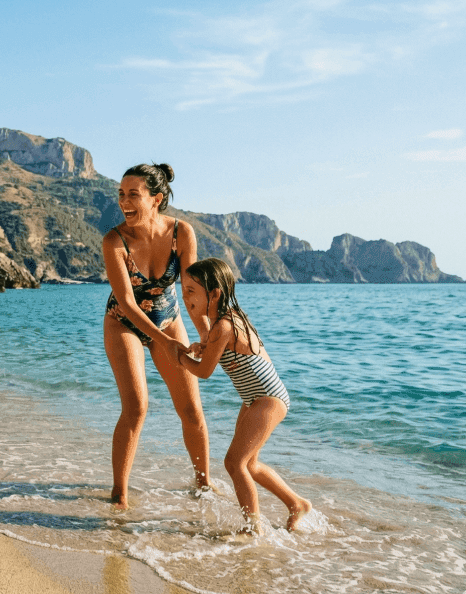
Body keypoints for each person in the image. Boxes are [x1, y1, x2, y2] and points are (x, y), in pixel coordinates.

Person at [102, 163, 211, 509]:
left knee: (192, 409)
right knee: (136, 406)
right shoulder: (114, 241)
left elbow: (192, 292)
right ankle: (119, 494)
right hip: (124, 322)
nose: (124, 201)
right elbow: (129, 304)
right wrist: (165, 343)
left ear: (156, 199)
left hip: (169, 318)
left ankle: (203, 486)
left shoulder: (182, 234)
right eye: (121, 194)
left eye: (133, 194)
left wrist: (206, 333)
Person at [178, 257, 312, 534]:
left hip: (268, 399)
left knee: (234, 462)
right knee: (249, 464)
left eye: (191, 291)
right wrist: (199, 347)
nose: (184, 296)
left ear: (213, 294)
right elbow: (211, 348)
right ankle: (296, 503)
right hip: (255, 398)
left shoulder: (226, 325)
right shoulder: (222, 324)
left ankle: (254, 528)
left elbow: (203, 372)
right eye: (183, 290)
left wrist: (179, 357)